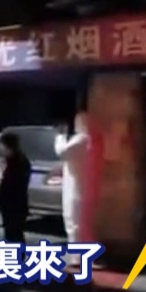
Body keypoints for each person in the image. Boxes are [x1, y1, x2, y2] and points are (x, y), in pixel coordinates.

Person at [55, 112, 90, 267]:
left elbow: (62, 152)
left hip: (76, 187)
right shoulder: (83, 139)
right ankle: (76, 255)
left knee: (73, 221)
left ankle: (77, 257)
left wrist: (60, 136)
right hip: (76, 184)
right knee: (73, 221)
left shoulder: (82, 139)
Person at [0, 129, 31, 247]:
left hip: (15, 206)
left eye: (1, 145)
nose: (0, 148)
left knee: (14, 234)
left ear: (7, 146)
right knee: (11, 234)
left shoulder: (19, 162)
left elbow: (14, 185)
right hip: (10, 206)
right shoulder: (12, 161)